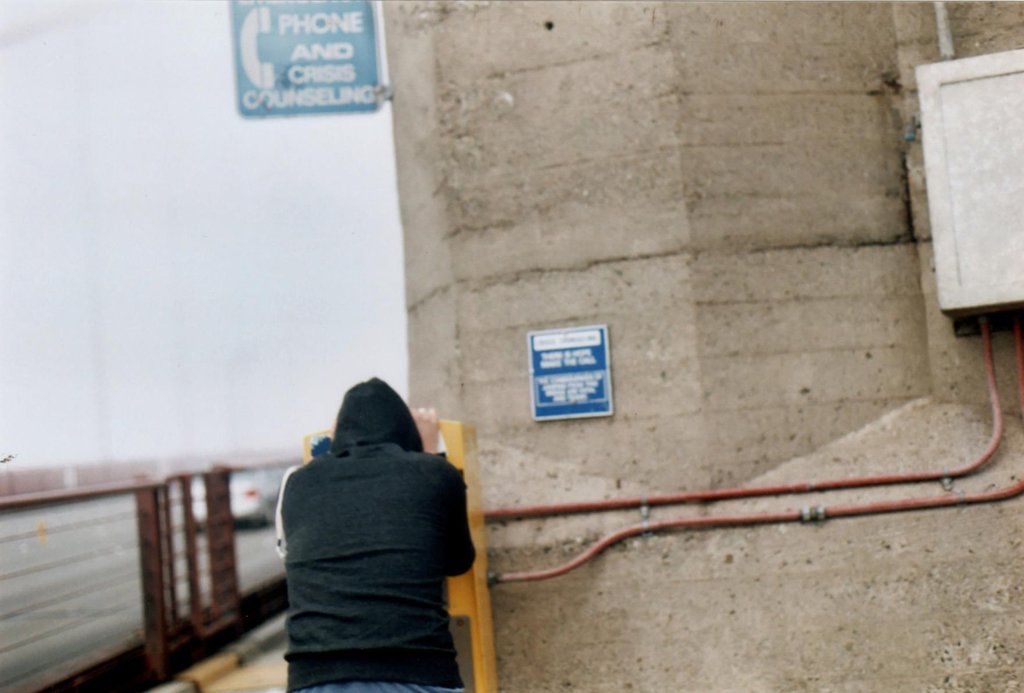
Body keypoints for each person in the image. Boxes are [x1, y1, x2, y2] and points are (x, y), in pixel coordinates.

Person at [277, 377, 476, 693]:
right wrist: (427, 453)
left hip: (315, 677)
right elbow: (458, 561)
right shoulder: (436, 473)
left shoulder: (299, 484)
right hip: (416, 672)